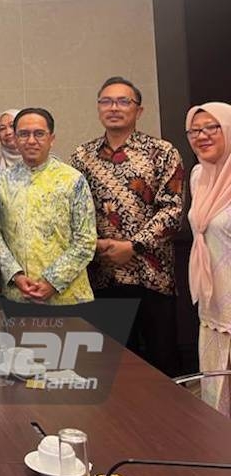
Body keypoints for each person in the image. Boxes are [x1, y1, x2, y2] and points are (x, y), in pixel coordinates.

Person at [71, 76, 184, 375]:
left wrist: (133, 246)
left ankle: (168, 423)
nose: (114, 108)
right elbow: (73, 212)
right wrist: (92, 244)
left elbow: (172, 210)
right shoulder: (81, 157)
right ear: (98, 108)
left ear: (139, 110)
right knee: (114, 370)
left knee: (162, 365)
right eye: (106, 101)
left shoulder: (162, 152)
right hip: (102, 274)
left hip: (152, 274)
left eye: (123, 101)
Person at [0, 109, 96, 305]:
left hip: (67, 296)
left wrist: (53, 281)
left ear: (51, 138)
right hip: (17, 295)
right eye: (23, 134)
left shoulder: (72, 179)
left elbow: (86, 240)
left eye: (39, 134)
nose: (31, 140)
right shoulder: (2, 181)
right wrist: (16, 276)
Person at [185, 101, 231, 415]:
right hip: (213, 302)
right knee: (216, 397)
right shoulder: (199, 174)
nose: (201, 136)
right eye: (194, 130)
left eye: (211, 127)